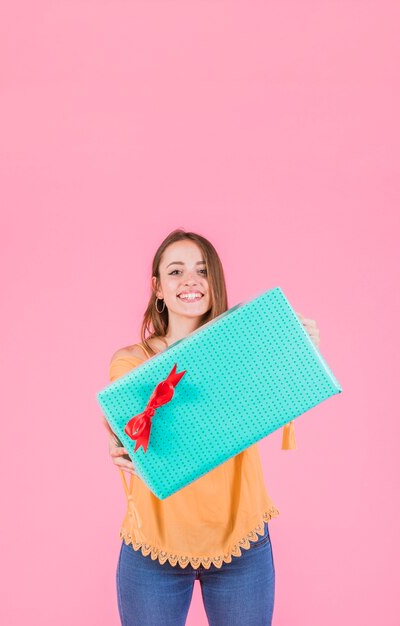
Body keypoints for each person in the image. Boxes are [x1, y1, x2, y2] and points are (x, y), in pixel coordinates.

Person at [102, 229, 321, 626]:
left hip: (242, 541)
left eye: (202, 270)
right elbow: (156, 432)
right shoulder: (130, 362)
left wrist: (296, 352)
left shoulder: (244, 350)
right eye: (176, 271)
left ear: (215, 281)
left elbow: (271, 404)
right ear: (158, 288)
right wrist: (119, 439)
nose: (190, 280)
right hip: (155, 546)